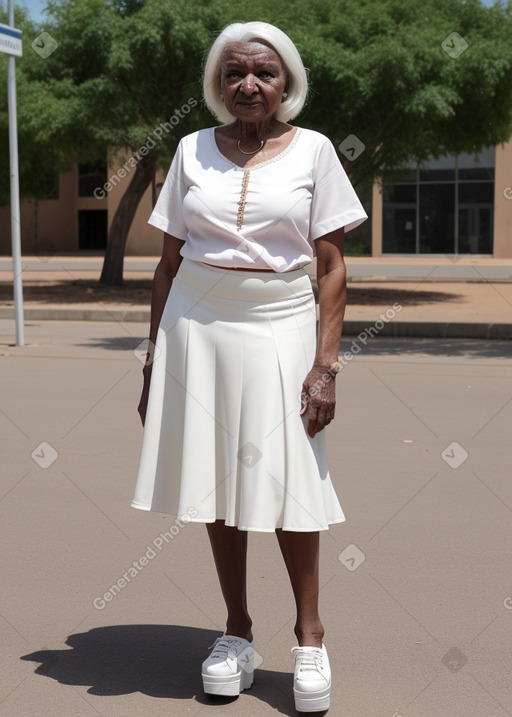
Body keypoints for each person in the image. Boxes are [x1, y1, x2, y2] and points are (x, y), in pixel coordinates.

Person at [132, 20, 367, 713]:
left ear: (287, 81)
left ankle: (311, 632)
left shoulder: (316, 152)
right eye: (234, 72)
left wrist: (326, 368)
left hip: (280, 320)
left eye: (263, 72)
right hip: (196, 323)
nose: (249, 84)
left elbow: (331, 268)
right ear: (218, 83)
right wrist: (153, 364)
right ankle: (236, 630)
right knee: (215, 477)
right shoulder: (189, 150)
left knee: (292, 477)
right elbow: (167, 263)